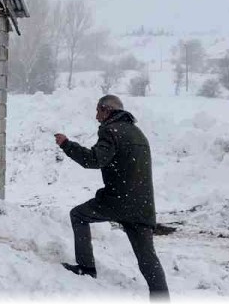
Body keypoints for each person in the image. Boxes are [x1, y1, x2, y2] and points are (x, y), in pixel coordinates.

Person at [55, 95, 169, 299]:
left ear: (107, 110)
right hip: (142, 204)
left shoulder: (111, 130)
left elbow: (94, 159)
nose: (96, 116)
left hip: (118, 200)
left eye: (98, 111)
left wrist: (67, 145)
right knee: (147, 257)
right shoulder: (137, 133)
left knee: (78, 215)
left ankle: (86, 267)